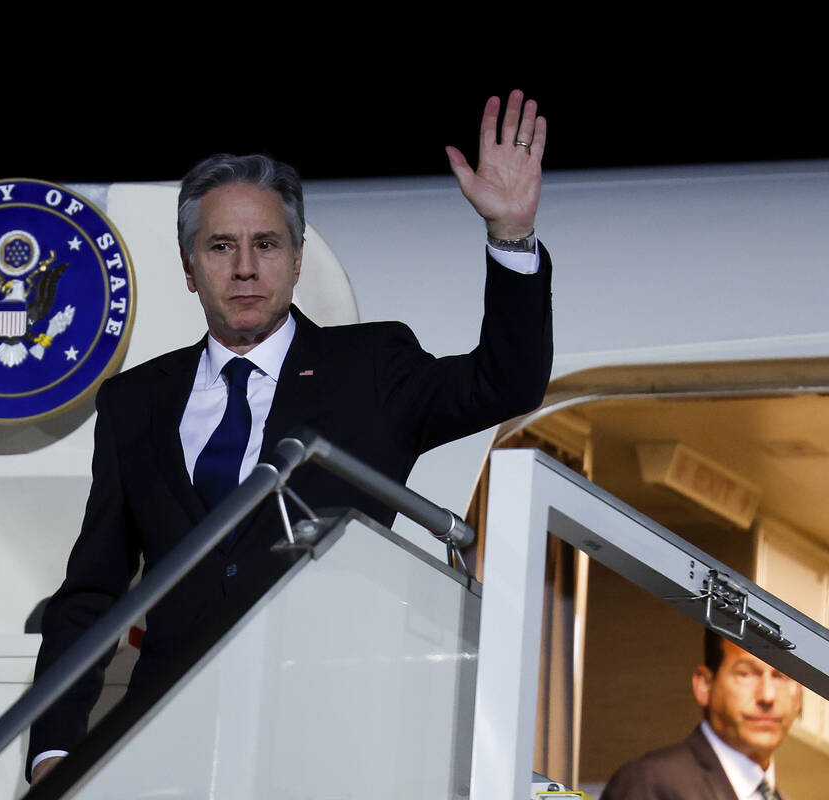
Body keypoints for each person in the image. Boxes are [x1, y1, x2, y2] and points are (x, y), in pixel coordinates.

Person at [27, 90, 553, 784]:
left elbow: (504, 383)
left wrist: (510, 236)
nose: (245, 267)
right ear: (190, 267)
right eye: (221, 246)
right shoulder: (136, 402)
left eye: (266, 244)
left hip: (335, 743)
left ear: (297, 259)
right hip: (172, 746)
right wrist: (54, 750)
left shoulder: (372, 368)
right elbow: (92, 593)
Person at [602, 629, 804, 799]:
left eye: (781, 677)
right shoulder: (651, 783)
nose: (767, 696)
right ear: (705, 685)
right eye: (746, 674)